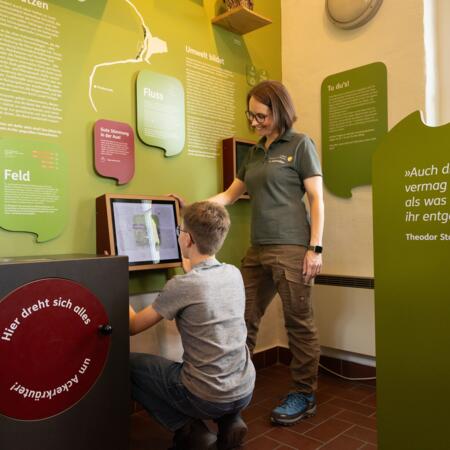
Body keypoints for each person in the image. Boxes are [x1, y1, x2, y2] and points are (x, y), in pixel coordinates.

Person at [208, 80, 324, 426]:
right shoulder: (255, 153)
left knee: (298, 322)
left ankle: (304, 393)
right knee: (241, 319)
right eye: (251, 115)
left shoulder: (301, 145)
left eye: (260, 115)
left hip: (292, 248)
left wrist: (315, 248)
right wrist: (191, 205)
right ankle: (234, 388)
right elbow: (228, 196)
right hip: (257, 250)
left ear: (279, 110)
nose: (254, 121)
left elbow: (316, 198)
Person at [129, 201, 255, 450]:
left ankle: (192, 433)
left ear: (187, 239)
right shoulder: (233, 273)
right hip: (243, 389)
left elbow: (133, 326)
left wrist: (114, 277)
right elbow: (201, 276)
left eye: (179, 232)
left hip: (205, 396)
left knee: (127, 367)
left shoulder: (183, 285)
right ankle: (230, 420)